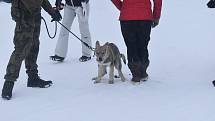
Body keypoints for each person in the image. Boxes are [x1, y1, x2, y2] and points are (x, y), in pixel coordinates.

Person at [1, 0, 62, 100]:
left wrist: (52, 12)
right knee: (21, 50)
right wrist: (17, 14)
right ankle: (8, 84)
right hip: (24, 17)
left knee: (34, 46)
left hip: (36, 16)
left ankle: (33, 77)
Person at [111, 0, 162, 83]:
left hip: (127, 17)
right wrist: (156, 16)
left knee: (131, 46)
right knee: (143, 45)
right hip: (145, 17)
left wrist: (123, 7)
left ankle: (136, 74)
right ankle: (143, 71)